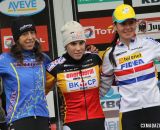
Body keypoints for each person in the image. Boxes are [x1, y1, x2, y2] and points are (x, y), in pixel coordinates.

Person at [100, 4, 160, 130]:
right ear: (115, 26)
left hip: (154, 107)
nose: (128, 27)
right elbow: (103, 87)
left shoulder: (149, 44)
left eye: (131, 22)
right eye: (123, 24)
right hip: (129, 112)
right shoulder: (110, 54)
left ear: (136, 23)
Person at [46, 21, 105, 130]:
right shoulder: (55, 67)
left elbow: (109, 78)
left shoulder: (95, 59)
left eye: (81, 43)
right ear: (65, 45)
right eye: (73, 44)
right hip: (72, 122)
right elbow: (39, 93)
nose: (78, 48)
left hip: (97, 120)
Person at [0, 16, 51, 130]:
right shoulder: (5, 60)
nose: (30, 37)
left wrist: (88, 53)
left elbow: (63, 67)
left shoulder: (43, 58)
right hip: (18, 119)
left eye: (32, 32)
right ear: (16, 38)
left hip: (42, 117)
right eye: (24, 34)